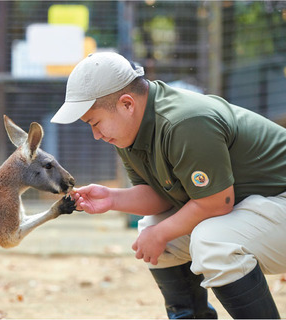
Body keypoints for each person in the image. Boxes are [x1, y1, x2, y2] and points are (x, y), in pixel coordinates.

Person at [50, 51, 286, 319]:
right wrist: (113, 198)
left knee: (211, 241)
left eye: (95, 122)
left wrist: (161, 234)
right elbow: (164, 195)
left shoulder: (184, 122)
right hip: (263, 208)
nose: (96, 134)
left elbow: (218, 201)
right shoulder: (130, 131)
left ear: (127, 104)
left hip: (279, 199)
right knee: (151, 227)